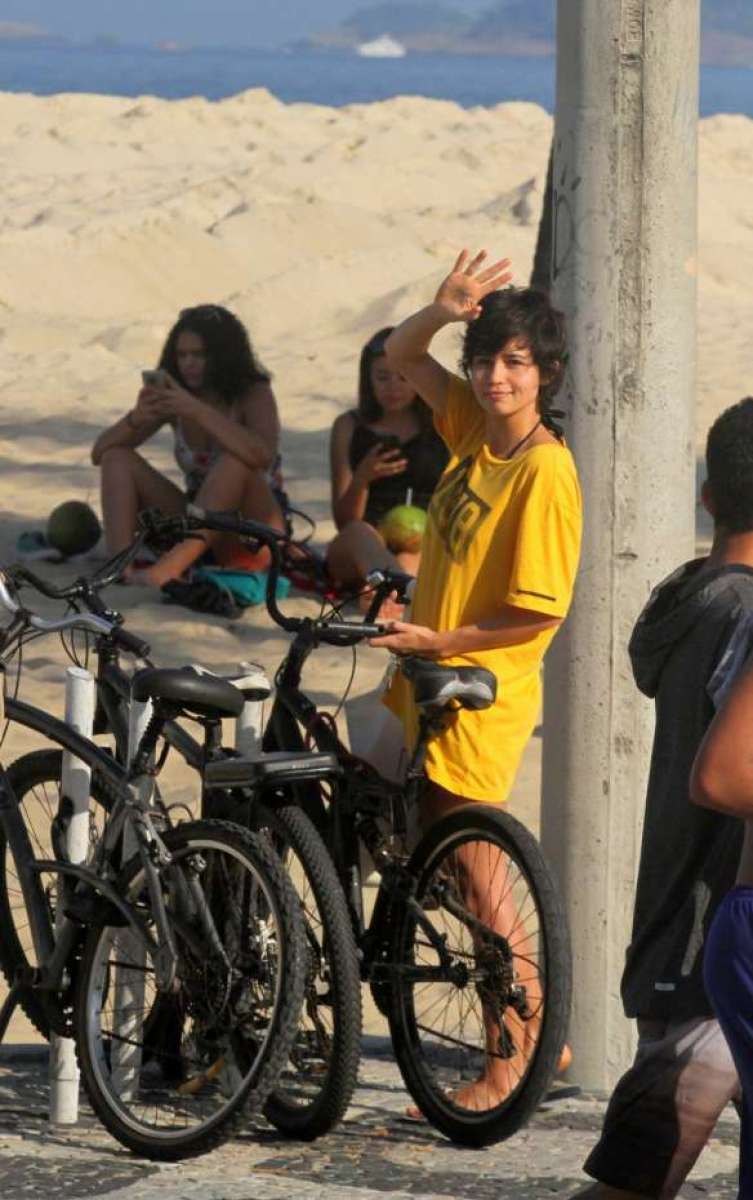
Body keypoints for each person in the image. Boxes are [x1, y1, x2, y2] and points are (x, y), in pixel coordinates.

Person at [371, 249, 583, 1109]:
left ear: (545, 374)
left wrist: (442, 639)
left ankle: (511, 1062)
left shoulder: (543, 470)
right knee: (449, 868)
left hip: (475, 697)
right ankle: (534, 1037)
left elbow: (536, 613)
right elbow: (401, 356)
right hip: (423, 681)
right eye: (487, 360)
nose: (498, 377)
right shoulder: (472, 429)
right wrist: (442, 310)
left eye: (516, 362)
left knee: (483, 883)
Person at [576, 397, 753, 1200]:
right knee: (634, 1183)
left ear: (707, 497)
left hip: (680, 922)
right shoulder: (743, 611)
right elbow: (724, 775)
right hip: (709, 938)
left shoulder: (689, 596)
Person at [92, 304, 285, 586]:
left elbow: (262, 456)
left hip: (251, 534)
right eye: (181, 355)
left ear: (223, 355)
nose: (188, 364)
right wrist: (136, 418)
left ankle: (165, 572)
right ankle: (120, 566)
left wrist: (196, 410)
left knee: (234, 462)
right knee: (117, 458)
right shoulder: (177, 398)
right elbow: (100, 453)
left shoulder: (253, 392)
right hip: (196, 527)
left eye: (199, 355)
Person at [326, 326, 448, 591]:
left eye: (403, 377)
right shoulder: (349, 426)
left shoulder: (441, 426)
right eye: (382, 377)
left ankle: (386, 595)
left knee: (409, 560)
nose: (393, 387)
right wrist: (362, 479)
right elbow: (344, 522)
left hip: (421, 540)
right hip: (363, 544)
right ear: (367, 378)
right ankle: (386, 589)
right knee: (360, 534)